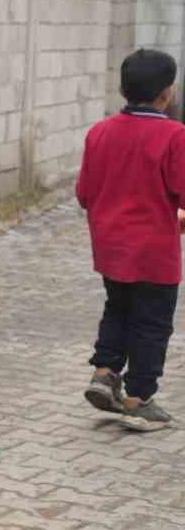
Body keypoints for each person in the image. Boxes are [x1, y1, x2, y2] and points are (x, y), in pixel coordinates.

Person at [76, 48, 184, 432]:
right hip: (155, 253)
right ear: (167, 93)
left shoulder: (100, 132)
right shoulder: (173, 135)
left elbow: (85, 193)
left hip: (111, 249)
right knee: (152, 324)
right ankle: (139, 399)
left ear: (122, 89)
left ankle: (105, 373)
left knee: (118, 309)